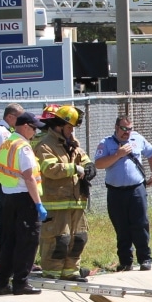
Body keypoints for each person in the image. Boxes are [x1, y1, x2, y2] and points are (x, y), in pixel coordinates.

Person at [32, 105, 93, 279]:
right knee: (59, 240)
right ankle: (51, 273)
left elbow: (83, 158)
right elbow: (50, 168)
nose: (72, 131)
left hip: (76, 201)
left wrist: (89, 167)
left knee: (79, 239)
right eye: (69, 127)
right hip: (56, 202)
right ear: (58, 126)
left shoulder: (71, 143)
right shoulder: (45, 145)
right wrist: (75, 169)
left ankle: (71, 272)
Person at [0, 111, 48, 295]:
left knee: (10, 242)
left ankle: (1, 283)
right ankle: (21, 282)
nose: (36, 133)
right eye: (34, 129)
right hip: (25, 198)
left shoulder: (8, 143)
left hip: (9, 197)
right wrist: (38, 203)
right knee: (28, 241)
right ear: (25, 127)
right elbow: (29, 176)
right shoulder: (23, 146)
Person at [95, 114, 152, 271]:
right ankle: (125, 262)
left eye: (129, 129)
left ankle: (145, 259)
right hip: (116, 191)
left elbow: (151, 153)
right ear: (116, 128)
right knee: (121, 226)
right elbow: (98, 164)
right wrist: (118, 154)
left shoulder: (137, 139)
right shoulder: (106, 143)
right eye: (123, 129)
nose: (127, 132)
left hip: (136, 189)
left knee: (140, 224)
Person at [0, 103, 24, 271]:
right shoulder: (1, 132)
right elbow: (10, 153)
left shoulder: (6, 132)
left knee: (6, 216)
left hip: (5, 178)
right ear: (10, 117)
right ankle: (3, 255)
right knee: (8, 216)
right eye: (19, 118)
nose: (22, 122)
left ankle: (3, 254)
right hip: (3, 179)